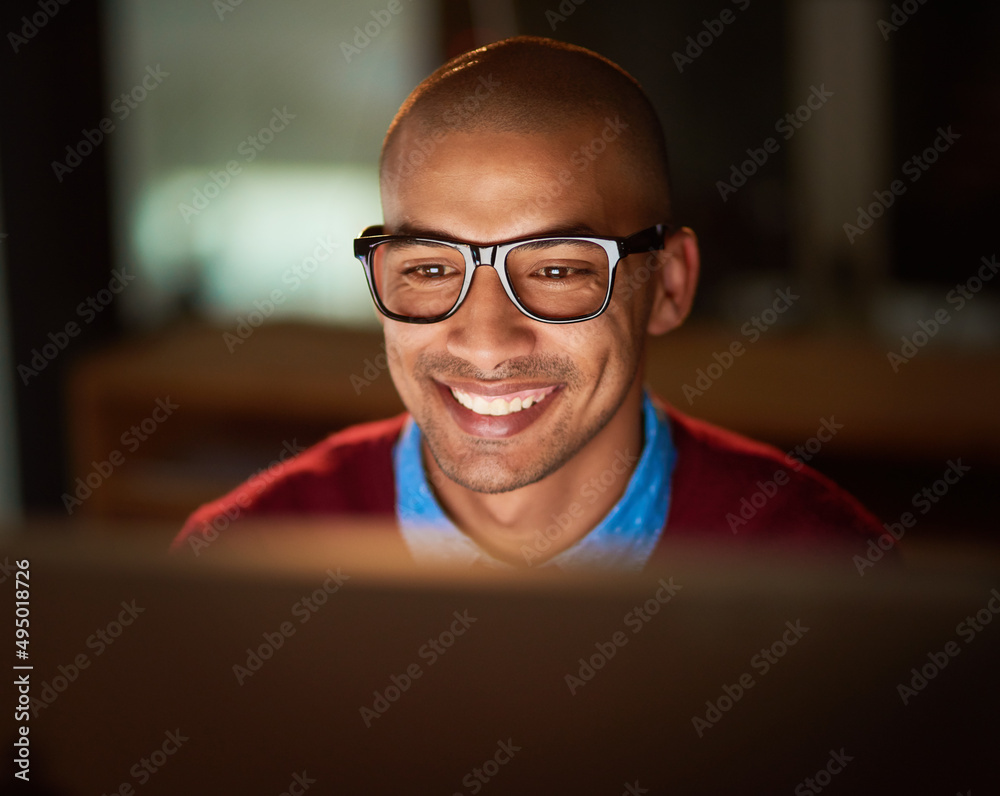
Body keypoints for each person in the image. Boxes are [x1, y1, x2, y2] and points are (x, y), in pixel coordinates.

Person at [174, 36, 882, 568]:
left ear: (668, 285)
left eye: (555, 270)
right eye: (428, 268)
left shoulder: (824, 569)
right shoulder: (243, 559)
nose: (484, 341)